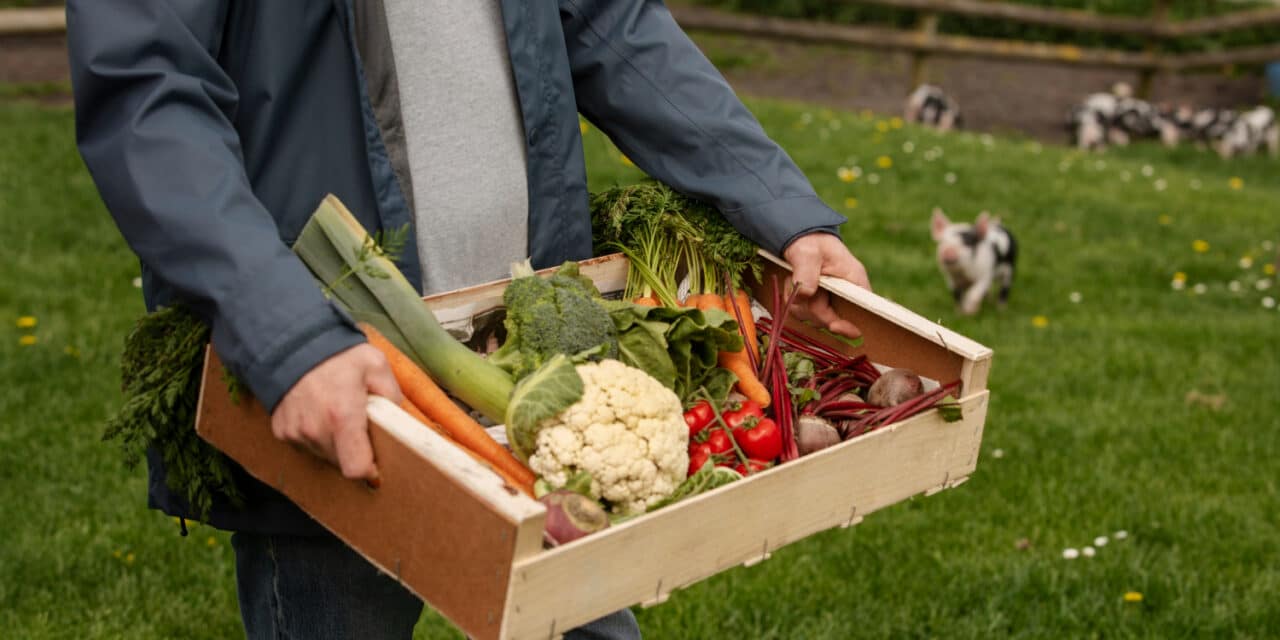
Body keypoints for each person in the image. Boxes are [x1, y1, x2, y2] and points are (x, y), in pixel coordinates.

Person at [67, 1, 871, 638]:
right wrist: (290, 338)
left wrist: (783, 211)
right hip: (348, 375)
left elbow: (611, 23)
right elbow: (149, 91)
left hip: (540, 367)